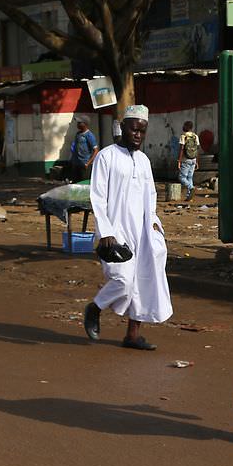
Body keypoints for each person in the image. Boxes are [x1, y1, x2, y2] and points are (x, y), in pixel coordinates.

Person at [83, 105, 172, 351]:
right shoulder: (107, 156)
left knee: (144, 279)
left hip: (142, 230)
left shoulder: (143, 160)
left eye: (142, 132)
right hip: (114, 231)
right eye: (134, 130)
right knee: (123, 280)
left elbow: (151, 195)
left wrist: (154, 223)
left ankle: (132, 336)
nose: (138, 136)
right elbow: (98, 196)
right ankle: (95, 307)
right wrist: (106, 231)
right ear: (123, 128)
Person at [69, 116, 98, 182]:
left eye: (80, 123)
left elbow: (96, 150)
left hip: (85, 164)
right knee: (75, 183)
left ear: (85, 124)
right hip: (76, 164)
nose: (78, 124)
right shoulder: (78, 134)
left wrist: (88, 163)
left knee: (84, 183)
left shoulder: (89, 135)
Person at [177, 120, 199, 201]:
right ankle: (189, 197)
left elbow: (181, 149)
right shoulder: (195, 136)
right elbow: (197, 149)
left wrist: (179, 161)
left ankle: (191, 187)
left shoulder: (183, 136)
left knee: (182, 177)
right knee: (190, 177)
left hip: (185, 160)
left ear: (185, 127)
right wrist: (197, 162)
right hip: (193, 159)